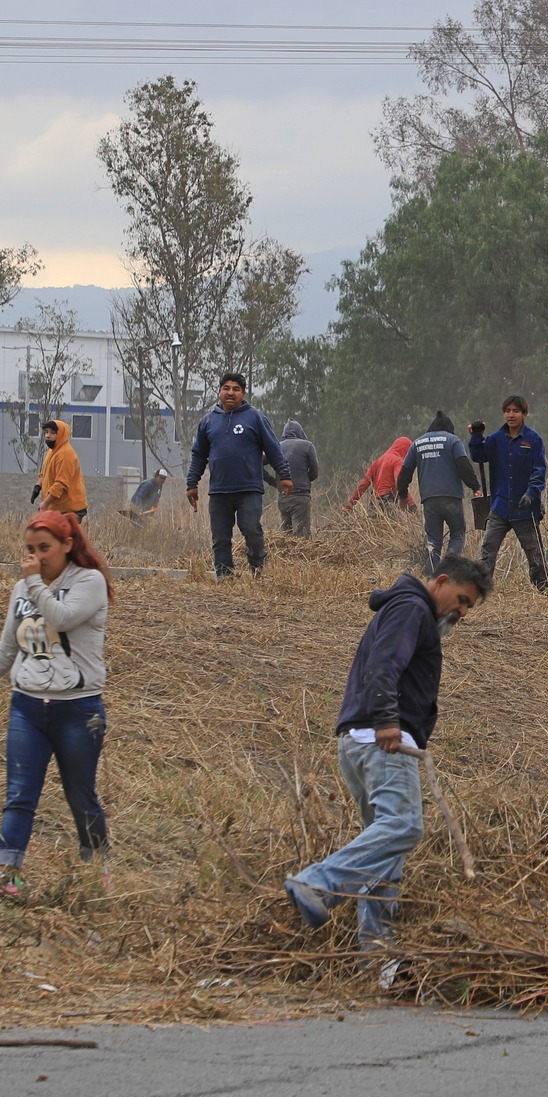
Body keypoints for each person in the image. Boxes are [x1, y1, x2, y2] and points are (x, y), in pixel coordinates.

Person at [283, 554, 494, 971]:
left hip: (361, 741)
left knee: (385, 854)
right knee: (404, 826)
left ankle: (377, 961)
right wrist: (387, 720)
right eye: (463, 599)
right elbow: (386, 663)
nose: (463, 612)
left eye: (470, 606)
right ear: (442, 581)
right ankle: (316, 883)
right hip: (382, 740)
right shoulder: (413, 608)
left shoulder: (408, 608)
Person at [0, 511, 115, 902]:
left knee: (80, 793)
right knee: (20, 793)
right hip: (27, 707)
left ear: (67, 545)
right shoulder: (23, 589)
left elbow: (62, 616)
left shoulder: (88, 583)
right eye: (30, 550)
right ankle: (7, 877)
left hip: (78, 709)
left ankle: (96, 872)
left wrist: (35, 583)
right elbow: (8, 647)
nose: (36, 557)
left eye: (45, 548)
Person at [185, 372, 294, 579]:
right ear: (220, 391)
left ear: (243, 394)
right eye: (226, 388)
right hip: (218, 490)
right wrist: (192, 483)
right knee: (220, 537)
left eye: (236, 389)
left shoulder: (255, 417)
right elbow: (199, 454)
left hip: (249, 489)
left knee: (251, 529)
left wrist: (285, 475)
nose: (231, 393)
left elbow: (273, 449)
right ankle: (224, 576)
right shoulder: (208, 421)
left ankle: (257, 570)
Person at [469, 396, 548, 592]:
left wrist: (531, 494)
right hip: (500, 507)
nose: (511, 415)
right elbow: (478, 456)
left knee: (534, 554)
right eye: (508, 411)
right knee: (488, 549)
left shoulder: (533, 440)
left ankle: (546, 591)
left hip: (525, 508)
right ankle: (479, 591)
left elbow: (539, 471)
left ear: (524, 414)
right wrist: (476, 437)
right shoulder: (496, 439)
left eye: (516, 411)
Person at [396, 412, 479, 572]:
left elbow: (405, 471)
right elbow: (463, 465)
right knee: (457, 533)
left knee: (433, 541)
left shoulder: (417, 443)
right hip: (451, 498)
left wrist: (402, 494)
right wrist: (475, 487)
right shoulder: (453, 440)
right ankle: (448, 569)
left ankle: (431, 578)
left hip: (429, 500)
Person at [35, 419, 88, 521]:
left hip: (70, 510)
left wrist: (45, 504)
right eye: (46, 432)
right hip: (58, 508)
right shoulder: (52, 451)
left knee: (59, 536)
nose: (48, 435)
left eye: (52, 433)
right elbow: (44, 473)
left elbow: (61, 484)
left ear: (61, 435)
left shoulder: (65, 454)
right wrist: (38, 486)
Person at [346, 436, 415, 514]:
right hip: (389, 501)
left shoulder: (377, 462)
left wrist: (350, 505)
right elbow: (400, 482)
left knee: (374, 525)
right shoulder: (397, 461)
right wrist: (412, 504)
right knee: (392, 526)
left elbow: (363, 485)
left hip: (375, 503)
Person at [277, 420, 321, 537]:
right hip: (300, 497)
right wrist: (304, 481)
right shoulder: (307, 446)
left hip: (283, 496)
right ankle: (299, 556)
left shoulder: (277, 447)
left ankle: (286, 556)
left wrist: (272, 481)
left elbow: (259, 463)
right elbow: (315, 472)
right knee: (301, 538)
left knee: (285, 536)